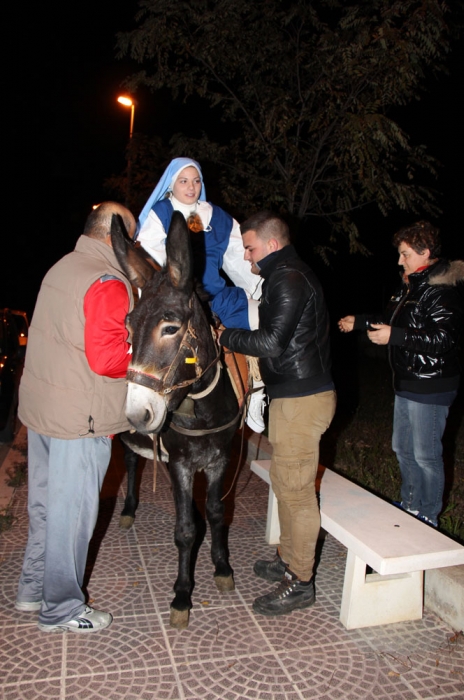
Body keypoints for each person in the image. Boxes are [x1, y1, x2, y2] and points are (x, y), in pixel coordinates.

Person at [16, 202, 136, 633]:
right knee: (73, 516)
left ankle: (32, 590)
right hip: (80, 419)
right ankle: (61, 608)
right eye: (132, 238)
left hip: (45, 411)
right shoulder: (108, 281)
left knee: (47, 507)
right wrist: (143, 354)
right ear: (117, 237)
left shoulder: (63, 266)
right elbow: (107, 359)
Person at [220, 211, 336, 616]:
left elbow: (270, 342)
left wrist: (225, 335)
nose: (247, 256)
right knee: (287, 486)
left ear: (270, 244)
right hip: (292, 395)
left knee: (298, 491)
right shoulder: (283, 275)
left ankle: (301, 581)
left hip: (303, 399)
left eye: (250, 247)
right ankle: (289, 561)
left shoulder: (287, 278)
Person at [339, 221, 464, 527]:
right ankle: (409, 505)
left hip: (431, 384)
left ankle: (428, 515)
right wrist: (360, 322)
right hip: (407, 382)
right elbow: (388, 321)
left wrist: (394, 336)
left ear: (425, 253)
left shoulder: (442, 290)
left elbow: (443, 339)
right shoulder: (411, 286)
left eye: (405, 254)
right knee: (402, 448)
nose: (400, 261)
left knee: (426, 456)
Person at [136, 157, 265, 432]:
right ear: (172, 184)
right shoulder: (160, 214)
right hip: (179, 301)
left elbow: (238, 255)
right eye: (184, 181)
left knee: (265, 317)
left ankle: (257, 391)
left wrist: (261, 285)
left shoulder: (216, 216)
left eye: (196, 181)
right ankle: (144, 400)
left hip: (216, 295)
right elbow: (149, 257)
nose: (191, 186)